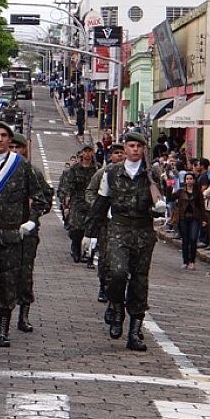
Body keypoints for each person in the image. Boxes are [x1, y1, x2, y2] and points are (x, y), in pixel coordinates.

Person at [86, 131, 165, 352]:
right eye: (131, 146)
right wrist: (90, 233)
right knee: (118, 273)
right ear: (126, 149)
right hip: (118, 229)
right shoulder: (111, 172)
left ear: (144, 150)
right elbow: (101, 202)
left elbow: (160, 202)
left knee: (140, 282)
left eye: (139, 146)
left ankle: (135, 331)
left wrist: (159, 208)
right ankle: (117, 306)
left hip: (143, 231)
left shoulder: (152, 174)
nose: (135, 150)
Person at [0, 121, 47, 348]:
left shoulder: (22, 166)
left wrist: (32, 221)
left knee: (9, 283)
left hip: (13, 235)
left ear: (10, 139)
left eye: (4, 136)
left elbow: (41, 197)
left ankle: (3, 328)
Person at [9, 133, 53, 333]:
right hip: (1, 230)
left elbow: (46, 199)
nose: (15, 151)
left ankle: (23, 314)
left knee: (24, 275)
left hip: (27, 231)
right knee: (0, 274)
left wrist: (33, 218)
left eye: (19, 148)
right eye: (12, 147)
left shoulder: (33, 172)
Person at [85, 142, 124, 322]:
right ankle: (103, 285)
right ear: (110, 156)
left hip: (123, 224)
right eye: (116, 153)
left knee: (122, 263)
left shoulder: (132, 175)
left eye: (122, 153)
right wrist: (98, 208)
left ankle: (116, 294)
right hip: (106, 224)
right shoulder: (103, 174)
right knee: (105, 257)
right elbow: (91, 193)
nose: (120, 156)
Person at [60, 145, 97, 263]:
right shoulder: (75, 168)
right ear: (81, 153)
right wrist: (66, 201)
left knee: (90, 228)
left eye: (89, 151)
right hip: (77, 201)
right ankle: (75, 250)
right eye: (85, 151)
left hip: (91, 202)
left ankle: (87, 252)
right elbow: (68, 185)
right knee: (77, 228)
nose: (87, 154)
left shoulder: (96, 168)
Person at [172, 172, 207, 270]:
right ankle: (185, 261)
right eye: (187, 179)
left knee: (193, 239)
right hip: (183, 218)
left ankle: (192, 261)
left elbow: (201, 206)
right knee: (185, 240)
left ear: (194, 180)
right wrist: (170, 185)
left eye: (191, 178)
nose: (189, 181)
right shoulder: (180, 191)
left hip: (195, 218)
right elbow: (171, 197)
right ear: (185, 180)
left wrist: (204, 219)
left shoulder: (197, 192)